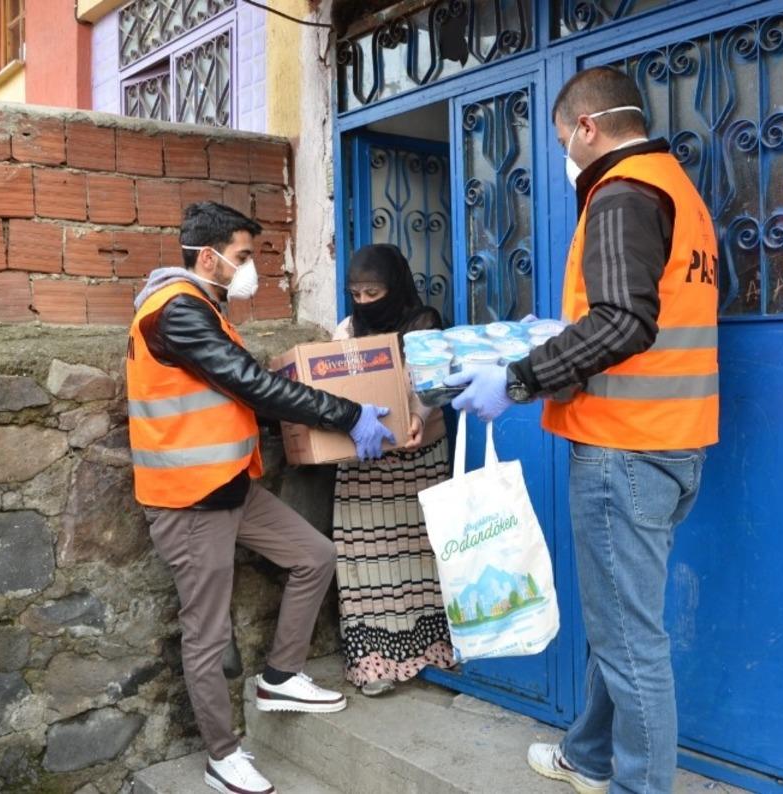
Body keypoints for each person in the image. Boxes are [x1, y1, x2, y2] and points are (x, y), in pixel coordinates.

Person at [446, 67, 719, 794]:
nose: (565, 150)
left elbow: (625, 321)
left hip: (623, 448)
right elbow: (642, 312)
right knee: (621, 620)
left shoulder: (621, 191)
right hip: (673, 442)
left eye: (563, 137)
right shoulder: (676, 190)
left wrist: (517, 378)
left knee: (631, 643)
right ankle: (590, 757)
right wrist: (559, 334)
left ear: (587, 128)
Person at [126, 201, 395, 794]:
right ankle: (223, 757)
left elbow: (238, 391)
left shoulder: (199, 309)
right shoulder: (175, 313)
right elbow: (248, 383)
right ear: (209, 257)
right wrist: (346, 414)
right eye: (244, 256)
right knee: (205, 633)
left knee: (314, 556)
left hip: (227, 486)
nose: (251, 268)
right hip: (189, 499)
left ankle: (280, 675)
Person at [330, 244, 456, 697]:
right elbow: (334, 384)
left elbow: (435, 384)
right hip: (364, 464)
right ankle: (373, 664)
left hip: (417, 459)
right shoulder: (345, 329)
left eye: (373, 291)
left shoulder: (424, 324)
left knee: (420, 556)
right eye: (356, 293)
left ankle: (432, 652)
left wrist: (418, 415)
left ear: (395, 286)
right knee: (366, 561)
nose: (364, 302)